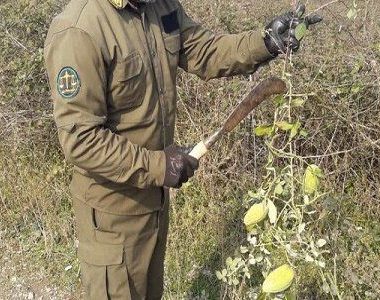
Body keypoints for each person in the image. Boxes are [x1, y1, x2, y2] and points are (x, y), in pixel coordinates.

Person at [44, 0, 321, 298]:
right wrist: (159, 166)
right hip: (112, 217)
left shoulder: (160, 6)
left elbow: (205, 51)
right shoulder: (79, 29)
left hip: (155, 202)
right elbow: (81, 139)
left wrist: (266, 42)